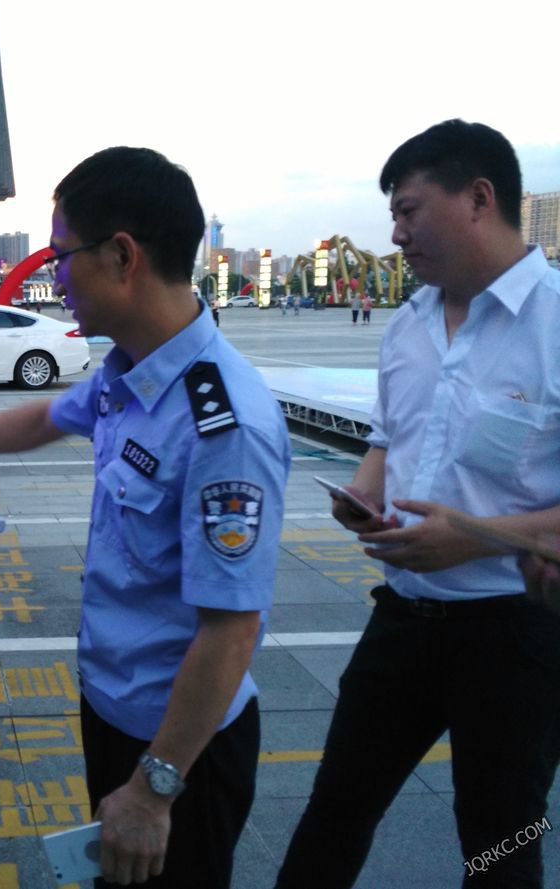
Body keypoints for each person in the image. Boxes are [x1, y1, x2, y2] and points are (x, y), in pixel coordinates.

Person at [0, 147, 291, 888]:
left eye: (62, 255)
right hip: (113, 709)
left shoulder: (223, 423)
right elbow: (47, 417)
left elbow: (232, 628)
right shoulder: (129, 372)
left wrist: (155, 788)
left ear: (122, 256)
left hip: (180, 747)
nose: (55, 278)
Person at [274, 120, 560, 889]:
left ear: (479, 198)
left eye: (408, 211)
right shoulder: (407, 324)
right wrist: (365, 492)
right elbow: (387, 437)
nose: (396, 234)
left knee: (501, 842)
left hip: (516, 634)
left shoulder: (554, 324)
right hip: (404, 618)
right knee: (336, 809)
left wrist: (475, 535)